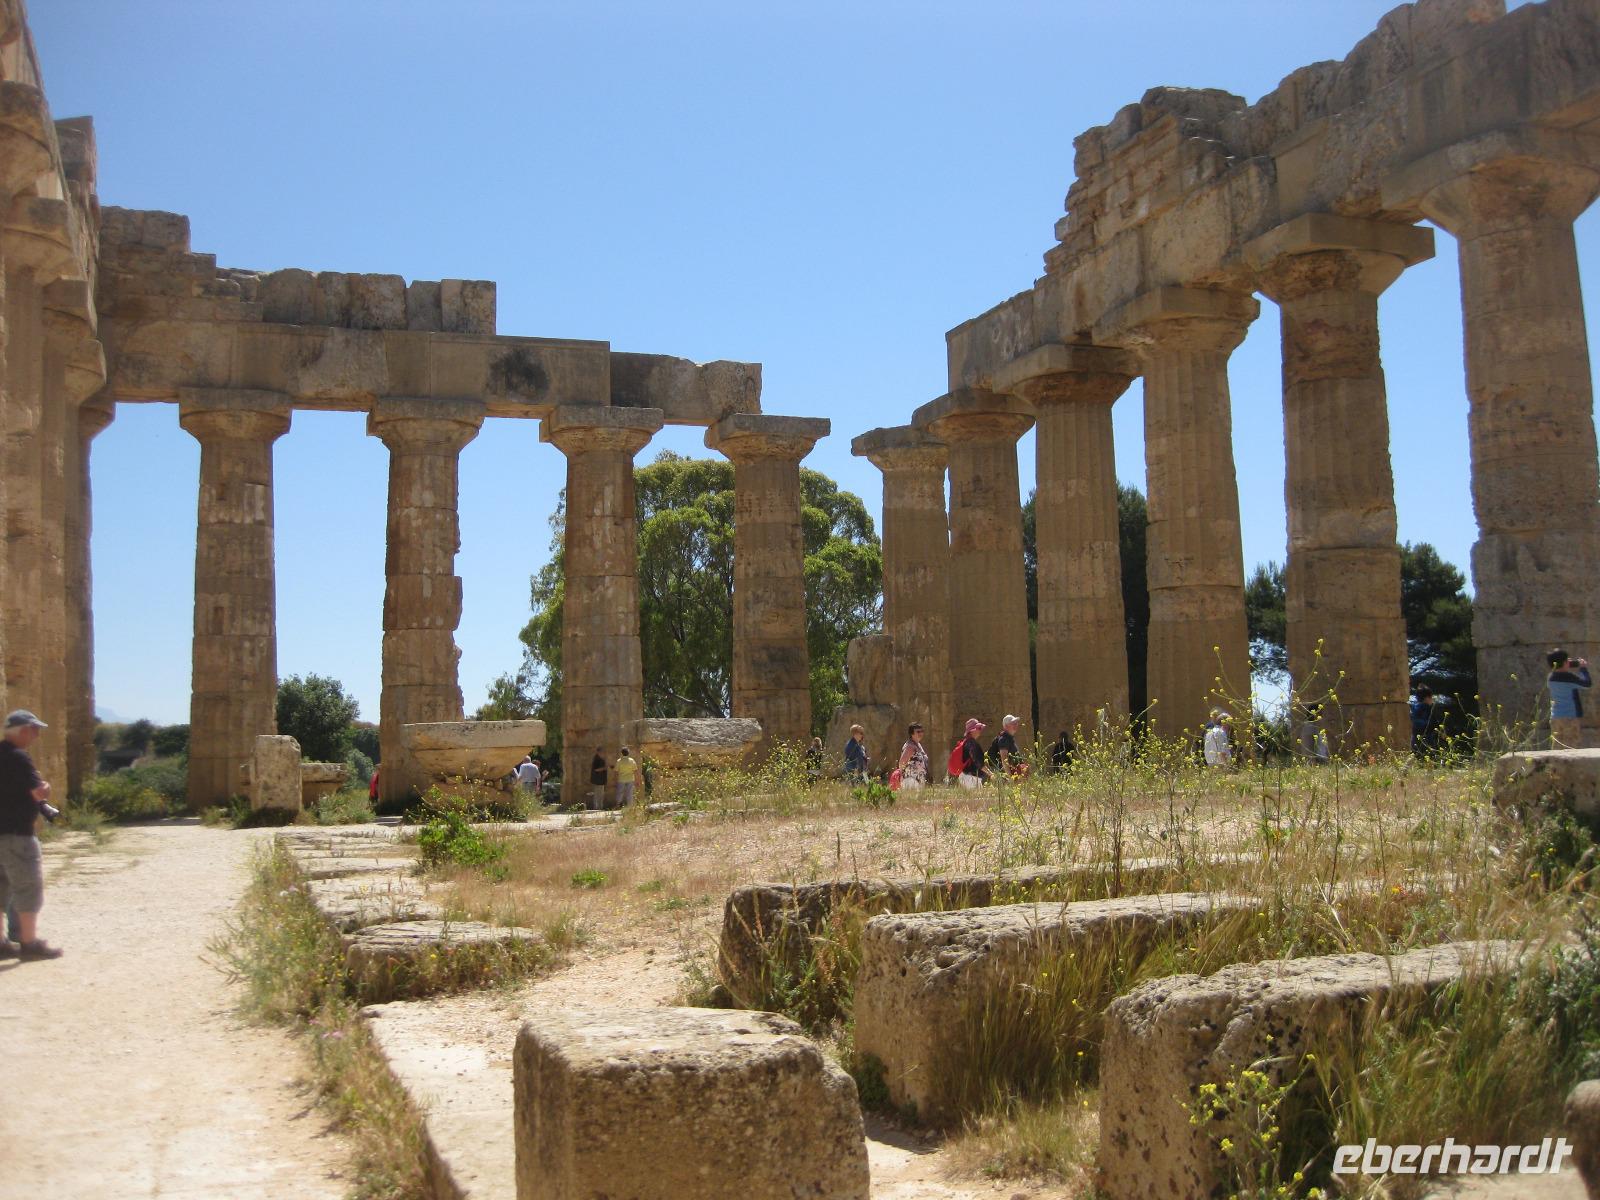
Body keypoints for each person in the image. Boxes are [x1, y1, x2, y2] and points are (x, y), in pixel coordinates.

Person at [0, 710, 62, 960]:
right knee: (27, 887)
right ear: (23, 730)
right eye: (34, 730)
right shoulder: (19, 758)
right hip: (17, 834)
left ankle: (2, 944)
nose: (36, 736)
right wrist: (46, 788)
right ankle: (29, 943)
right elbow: (38, 792)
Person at [1548, 648, 1593, 749]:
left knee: (1558, 748)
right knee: (1572, 748)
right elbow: (1587, 684)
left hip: (1555, 717)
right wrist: (1583, 668)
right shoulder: (1568, 677)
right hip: (1570, 717)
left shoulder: (1551, 677)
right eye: (1568, 660)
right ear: (1564, 663)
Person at [1410, 687, 1446, 757]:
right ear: (1427, 698)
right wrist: (1440, 731)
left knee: (1417, 758)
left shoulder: (1413, 708)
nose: (1432, 701)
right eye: (1431, 698)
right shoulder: (1427, 708)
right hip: (1427, 739)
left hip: (1415, 739)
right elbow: (1431, 722)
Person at [956, 718, 990, 791]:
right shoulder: (972, 744)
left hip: (968, 777)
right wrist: (991, 774)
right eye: (978, 728)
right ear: (972, 730)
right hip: (970, 779)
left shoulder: (967, 742)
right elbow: (978, 762)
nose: (980, 730)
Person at [896, 723, 929, 792]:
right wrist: (903, 776)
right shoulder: (910, 746)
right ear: (912, 734)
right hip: (910, 780)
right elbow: (901, 763)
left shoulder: (918, 745)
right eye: (918, 732)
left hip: (918, 780)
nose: (921, 733)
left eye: (922, 731)